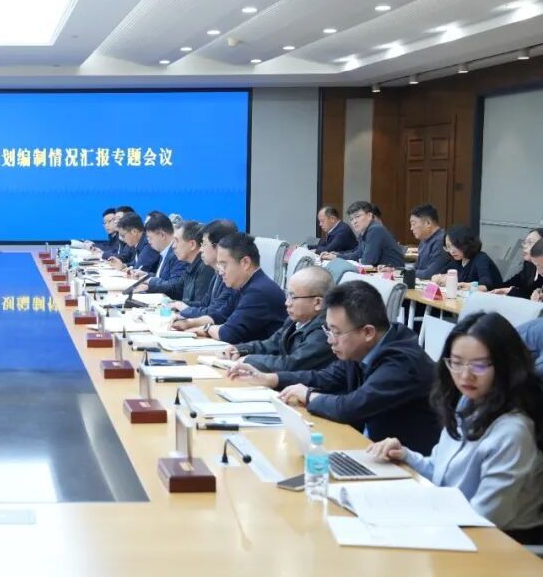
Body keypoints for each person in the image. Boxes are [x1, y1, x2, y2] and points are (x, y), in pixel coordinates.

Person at [368, 313, 543, 539]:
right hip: (455, 523)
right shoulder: (468, 402)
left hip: (502, 542)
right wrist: (405, 455)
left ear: (505, 365)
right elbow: (440, 473)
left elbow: (485, 518)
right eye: (456, 363)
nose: (465, 376)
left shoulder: (513, 432)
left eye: (479, 366)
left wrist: (410, 520)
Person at [228, 280, 440, 450]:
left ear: (367, 332)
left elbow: (352, 407)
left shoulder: (402, 362)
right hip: (370, 449)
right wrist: (271, 378)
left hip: (407, 469)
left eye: (336, 332)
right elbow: (325, 377)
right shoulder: (363, 348)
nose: (330, 340)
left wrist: (309, 395)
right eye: (328, 330)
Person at [176, 233, 286, 343]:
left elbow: (228, 334)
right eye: (219, 265)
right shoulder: (242, 285)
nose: (220, 272)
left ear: (245, 263)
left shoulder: (259, 292)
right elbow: (220, 316)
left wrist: (206, 329)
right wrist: (189, 323)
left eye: (224, 265)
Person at [222, 266, 336, 372]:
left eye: (293, 297)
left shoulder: (324, 332)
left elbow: (291, 365)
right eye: (287, 295)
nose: (287, 303)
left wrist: (249, 360)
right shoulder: (295, 320)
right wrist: (240, 349)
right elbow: (272, 344)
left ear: (317, 303)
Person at [171, 219, 239, 322]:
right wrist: (178, 305)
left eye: (204, 244)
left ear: (220, 246)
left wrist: (185, 310)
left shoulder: (231, 277)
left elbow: (215, 313)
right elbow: (205, 304)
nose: (201, 249)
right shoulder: (218, 272)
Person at [134, 220, 214, 302]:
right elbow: (176, 288)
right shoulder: (191, 265)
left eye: (176, 241)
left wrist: (177, 305)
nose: (173, 246)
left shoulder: (206, 268)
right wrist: (148, 285)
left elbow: (199, 305)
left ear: (192, 244)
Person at [325, 200, 404, 268]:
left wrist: (359, 259)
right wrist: (336, 256)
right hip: (379, 272)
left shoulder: (376, 230)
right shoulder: (363, 232)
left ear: (369, 215)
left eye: (357, 216)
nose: (354, 221)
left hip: (394, 274)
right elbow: (358, 255)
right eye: (351, 219)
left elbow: (367, 261)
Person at [431, 225, 502, 290]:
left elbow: (486, 285)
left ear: (467, 243)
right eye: (448, 247)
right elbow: (438, 275)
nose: (452, 251)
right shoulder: (458, 260)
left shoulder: (481, 258)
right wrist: (438, 278)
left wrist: (467, 286)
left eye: (455, 245)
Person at [124, 212, 179, 285]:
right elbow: (162, 277)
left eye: (150, 238)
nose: (149, 241)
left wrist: (149, 282)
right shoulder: (164, 251)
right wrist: (146, 275)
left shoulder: (177, 254)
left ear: (162, 235)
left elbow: (173, 285)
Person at [493, 228, 543, 299]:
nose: (524, 246)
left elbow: (530, 296)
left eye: (530, 242)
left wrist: (511, 291)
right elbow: (513, 283)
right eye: (525, 242)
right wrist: (489, 288)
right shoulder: (529, 265)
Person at [407, 203, 452, 279]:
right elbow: (416, 268)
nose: (411, 228)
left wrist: (408, 272)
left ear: (428, 223)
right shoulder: (424, 240)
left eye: (413, 224)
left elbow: (430, 274)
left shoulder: (441, 241)